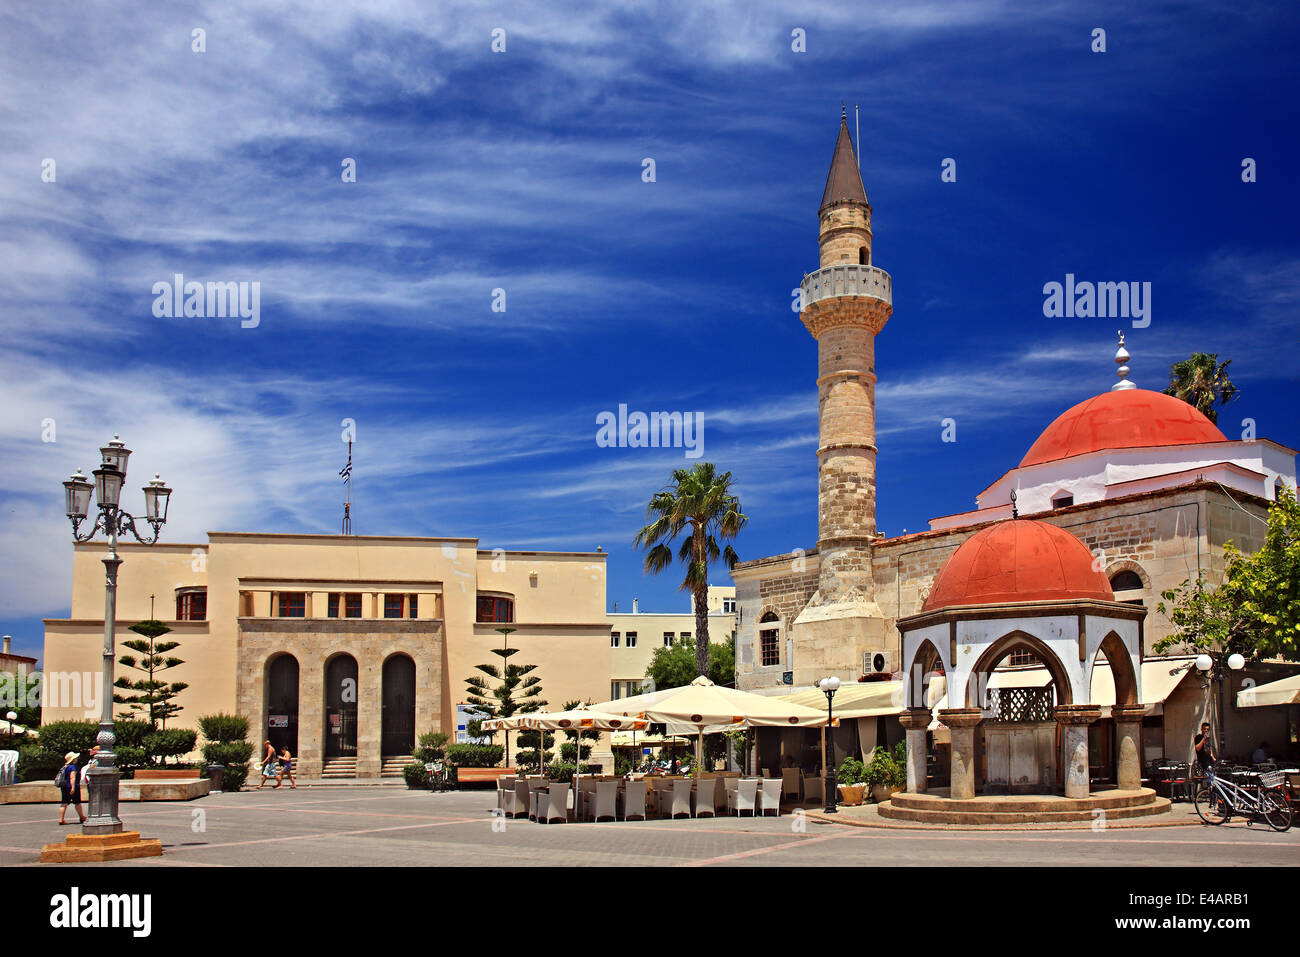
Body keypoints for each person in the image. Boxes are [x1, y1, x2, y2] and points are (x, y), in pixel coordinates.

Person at [57, 752, 86, 825]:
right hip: (73, 786)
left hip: (64, 786)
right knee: (77, 802)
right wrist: (73, 787)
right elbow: (72, 777)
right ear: (73, 759)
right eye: (75, 758)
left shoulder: (65, 766)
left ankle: (61, 819)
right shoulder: (73, 767)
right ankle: (82, 817)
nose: (77, 759)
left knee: (64, 803)